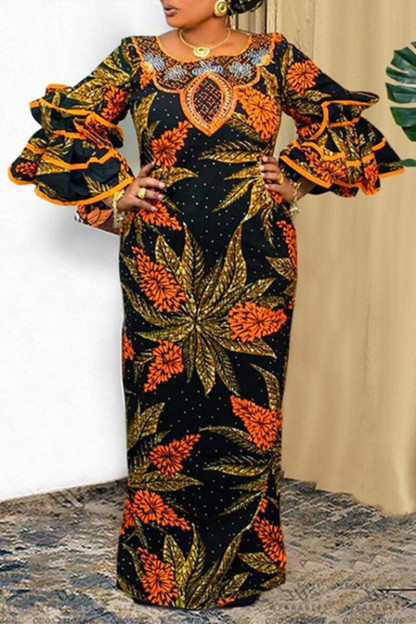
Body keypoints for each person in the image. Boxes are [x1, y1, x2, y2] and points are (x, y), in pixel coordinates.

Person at [7, 0, 405, 611]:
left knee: (248, 409)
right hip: (161, 262)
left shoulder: (274, 57)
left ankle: (242, 570)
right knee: (161, 407)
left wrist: (297, 179)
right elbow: (67, 127)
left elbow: (342, 125)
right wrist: (115, 193)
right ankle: (160, 571)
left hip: (257, 259)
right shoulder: (136, 58)